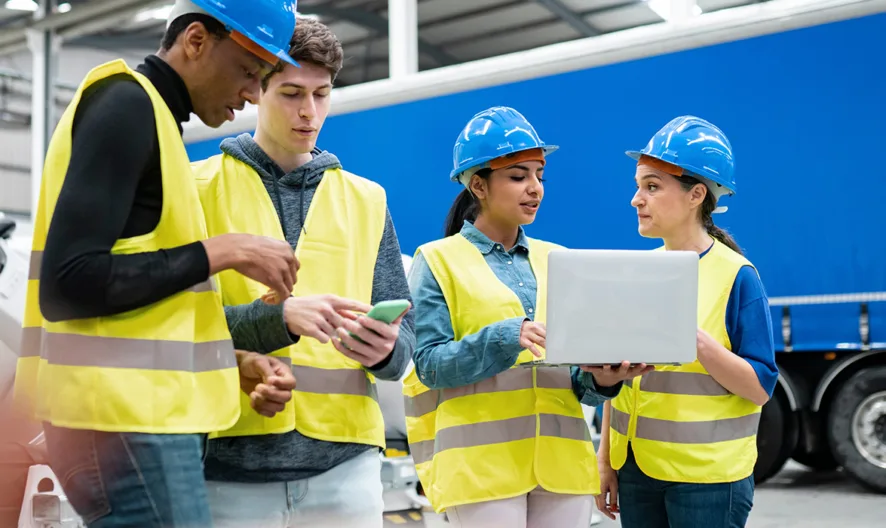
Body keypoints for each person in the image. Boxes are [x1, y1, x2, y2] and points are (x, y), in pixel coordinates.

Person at [12, 0, 305, 526]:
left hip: (130, 425)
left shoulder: (156, 126)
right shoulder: (127, 105)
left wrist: (232, 362)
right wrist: (224, 250)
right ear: (195, 41)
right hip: (124, 425)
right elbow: (69, 284)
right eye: (248, 71)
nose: (252, 94)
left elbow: (139, 302)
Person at [191, 17, 415, 528]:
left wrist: (385, 351)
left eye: (322, 94)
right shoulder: (195, 189)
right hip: (226, 465)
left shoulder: (368, 199)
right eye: (292, 93)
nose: (309, 112)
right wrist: (279, 318)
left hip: (347, 470)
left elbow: (406, 345)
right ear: (256, 89)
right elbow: (177, 326)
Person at [402, 106, 651, 528]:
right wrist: (505, 336)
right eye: (519, 176)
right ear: (478, 184)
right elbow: (429, 366)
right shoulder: (437, 260)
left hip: (563, 465)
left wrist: (602, 381)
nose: (535, 188)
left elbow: (576, 383)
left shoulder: (560, 260)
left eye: (540, 176)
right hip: (482, 470)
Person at [595, 116, 778, 528]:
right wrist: (605, 459)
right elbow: (618, 379)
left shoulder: (737, 276)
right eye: (639, 185)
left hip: (707, 478)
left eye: (652, 187)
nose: (636, 199)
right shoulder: (636, 272)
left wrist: (693, 341)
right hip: (636, 468)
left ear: (697, 194)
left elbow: (760, 387)